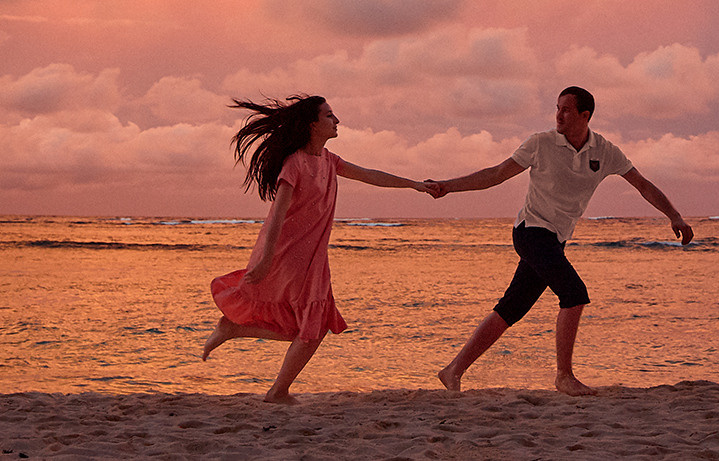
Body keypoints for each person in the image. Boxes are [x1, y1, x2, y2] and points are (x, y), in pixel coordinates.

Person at [426, 85, 694, 395]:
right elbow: (496, 174)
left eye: (566, 110)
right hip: (530, 231)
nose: (558, 115)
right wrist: (447, 186)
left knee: (511, 308)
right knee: (575, 294)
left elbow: (643, 185)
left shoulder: (605, 151)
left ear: (585, 115)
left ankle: (452, 371)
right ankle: (564, 376)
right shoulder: (540, 144)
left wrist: (674, 215)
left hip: (556, 239)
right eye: (557, 108)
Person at [200, 94, 432, 402]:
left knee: (311, 327)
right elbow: (277, 216)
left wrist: (415, 185)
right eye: (329, 116)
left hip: (314, 256)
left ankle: (239, 336)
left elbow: (372, 176)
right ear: (312, 124)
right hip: (289, 255)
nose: (336, 121)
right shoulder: (294, 164)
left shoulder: (329, 161)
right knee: (310, 328)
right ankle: (275, 389)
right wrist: (267, 259)